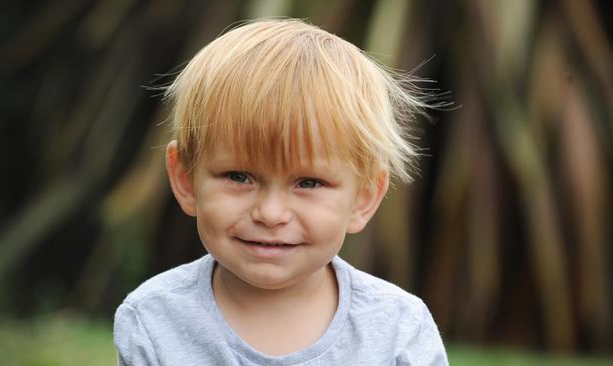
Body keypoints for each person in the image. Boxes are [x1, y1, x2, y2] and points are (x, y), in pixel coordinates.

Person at [114, 18, 448, 365]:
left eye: (308, 183)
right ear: (185, 180)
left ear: (364, 198)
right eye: (239, 176)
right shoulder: (153, 320)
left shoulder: (398, 330)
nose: (271, 214)